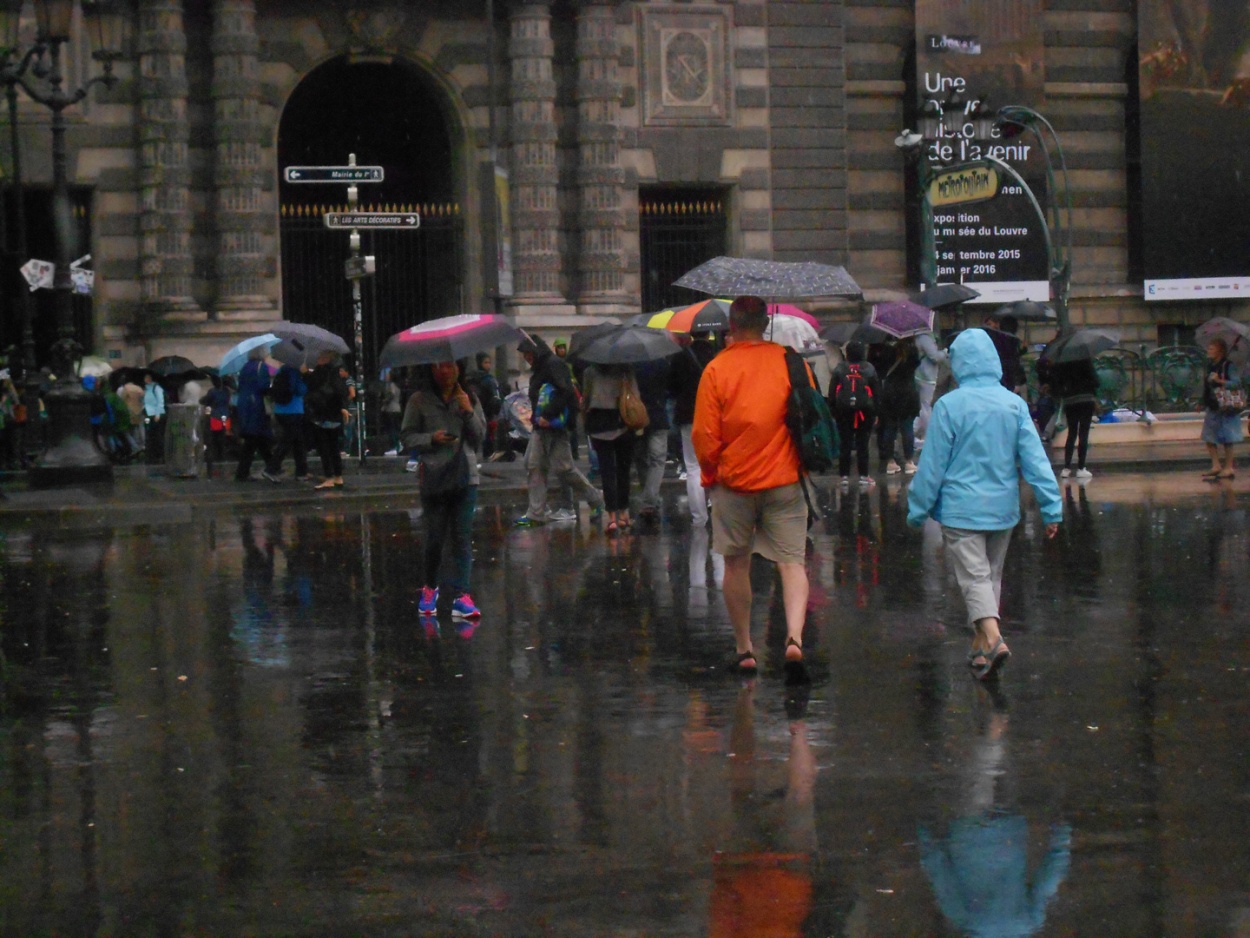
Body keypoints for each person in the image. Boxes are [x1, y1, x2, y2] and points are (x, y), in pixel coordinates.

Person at [907, 328, 1062, 680]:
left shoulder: (949, 406)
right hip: (1003, 510)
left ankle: (992, 637)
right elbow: (1035, 462)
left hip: (962, 509)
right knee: (990, 576)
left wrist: (918, 509)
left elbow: (932, 466)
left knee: (974, 578)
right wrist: (1051, 508)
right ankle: (979, 649)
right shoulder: (1014, 404)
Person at [693, 295, 810, 675]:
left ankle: (745, 647)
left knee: (736, 564)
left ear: (731, 323)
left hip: (735, 482)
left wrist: (711, 475)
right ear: (764, 323)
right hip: (785, 478)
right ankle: (794, 637)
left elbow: (705, 436)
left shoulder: (716, 369)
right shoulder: (792, 362)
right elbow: (807, 416)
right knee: (792, 563)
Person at [401, 360, 487, 620]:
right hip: (435, 476)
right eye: (438, 366)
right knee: (435, 538)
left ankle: (463, 596)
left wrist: (468, 410)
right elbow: (406, 436)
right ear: (430, 370)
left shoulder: (468, 397)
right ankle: (429, 589)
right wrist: (431, 439)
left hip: (465, 476)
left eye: (449, 365)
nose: (444, 371)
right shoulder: (419, 400)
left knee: (462, 537)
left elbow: (480, 436)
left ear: (458, 368)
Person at [514, 333, 605, 525]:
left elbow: (565, 392)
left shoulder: (552, 364)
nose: (527, 358)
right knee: (539, 466)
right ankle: (537, 512)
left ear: (536, 351)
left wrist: (547, 415)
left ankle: (594, 498)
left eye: (528, 354)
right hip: (543, 426)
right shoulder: (543, 366)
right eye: (524, 355)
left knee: (555, 468)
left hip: (552, 426)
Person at [581, 361, 637, 532]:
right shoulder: (625, 368)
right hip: (622, 421)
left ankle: (612, 517)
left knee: (607, 471)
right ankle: (624, 513)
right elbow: (634, 395)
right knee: (623, 469)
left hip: (599, 424)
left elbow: (586, 398)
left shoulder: (590, 371)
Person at [671, 331, 718, 526]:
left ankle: (699, 517)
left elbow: (671, 387)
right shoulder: (718, 355)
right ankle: (717, 512)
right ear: (709, 334)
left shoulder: (681, 356)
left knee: (692, 467)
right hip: (713, 415)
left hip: (688, 415)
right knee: (716, 464)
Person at [828, 340, 881, 488]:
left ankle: (844, 476)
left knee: (845, 443)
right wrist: (876, 411)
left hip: (843, 411)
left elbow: (832, 392)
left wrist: (833, 410)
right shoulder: (869, 368)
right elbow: (876, 391)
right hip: (865, 410)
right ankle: (864, 476)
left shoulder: (840, 368)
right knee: (863, 443)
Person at [632, 355, 673, 523]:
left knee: (641, 458)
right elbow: (671, 387)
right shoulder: (662, 362)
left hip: (637, 417)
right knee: (657, 459)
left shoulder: (630, 363)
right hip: (658, 415)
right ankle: (650, 499)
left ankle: (649, 496)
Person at [304, 350, 351, 489]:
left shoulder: (323, 371)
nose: (319, 358)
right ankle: (337, 476)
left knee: (324, 448)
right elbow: (341, 391)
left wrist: (306, 374)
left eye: (322, 356)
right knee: (334, 447)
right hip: (334, 413)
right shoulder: (336, 372)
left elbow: (313, 386)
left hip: (324, 414)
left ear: (328, 358)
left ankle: (330, 477)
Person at [1049, 354, 1099, 480]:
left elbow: (1057, 382)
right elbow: (1096, 382)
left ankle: (1066, 468)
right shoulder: (1085, 359)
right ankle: (1081, 468)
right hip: (1086, 399)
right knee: (1083, 433)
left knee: (1072, 433)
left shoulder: (1062, 360)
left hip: (1070, 400)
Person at [233, 346, 278, 483]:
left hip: (244, 405)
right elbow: (263, 386)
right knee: (256, 439)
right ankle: (270, 468)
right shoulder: (262, 366)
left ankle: (270, 467)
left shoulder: (245, 367)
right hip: (256, 406)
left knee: (255, 440)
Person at [1200, 337, 1242, 480]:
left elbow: (1236, 384)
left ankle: (1229, 467)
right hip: (1213, 405)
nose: (1209, 350)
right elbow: (1207, 386)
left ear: (1220, 350)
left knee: (1227, 437)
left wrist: (1219, 380)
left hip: (1226, 405)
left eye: (1212, 348)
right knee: (1208, 436)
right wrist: (1202, 401)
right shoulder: (1211, 366)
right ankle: (1216, 465)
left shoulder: (1228, 366)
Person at [877, 338, 921, 474]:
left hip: (890, 392)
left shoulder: (886, 350)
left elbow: (881, 369)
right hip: (908, 392)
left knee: (890, 428)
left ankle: (890, 462)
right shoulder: (912, 350)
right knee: (907, 427)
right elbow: (916, 365)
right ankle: (908, 461)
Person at [267, 361, 310, 481]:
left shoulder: (282, 369)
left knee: (298, 441)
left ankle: (301, 471)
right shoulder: (295, 371)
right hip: (293, 410)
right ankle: (272, 468)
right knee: (288, 441)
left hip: (281, 409)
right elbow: (300, 390)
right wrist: (305, 375)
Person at [914, 331, 948, 447]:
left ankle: (919, 435)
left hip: (921, 374)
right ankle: (926, 436)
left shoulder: (918, 336)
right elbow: (934, 356)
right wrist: (944, 352)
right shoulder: (925, 337)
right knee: (925, 407)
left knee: (923, 407)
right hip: (926, 376)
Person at [200, 376, 231, 477]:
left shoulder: (212, 391)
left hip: (215, 417)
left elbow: (205, 401)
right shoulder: (226, 391)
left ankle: (212, 461)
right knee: (222, 441)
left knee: (212, 440)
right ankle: (223, 458)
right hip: (225, 417)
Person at [142, 372, 167, 464]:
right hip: (148, 414)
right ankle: (152, 454)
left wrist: (158, 414)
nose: (146, 380)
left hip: (156, 414)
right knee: (150, 435)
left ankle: (161, 454)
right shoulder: (146, 389)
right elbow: (145, 401)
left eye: (147, 378)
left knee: (158, 435)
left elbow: (160, 401)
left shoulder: (156, 387)